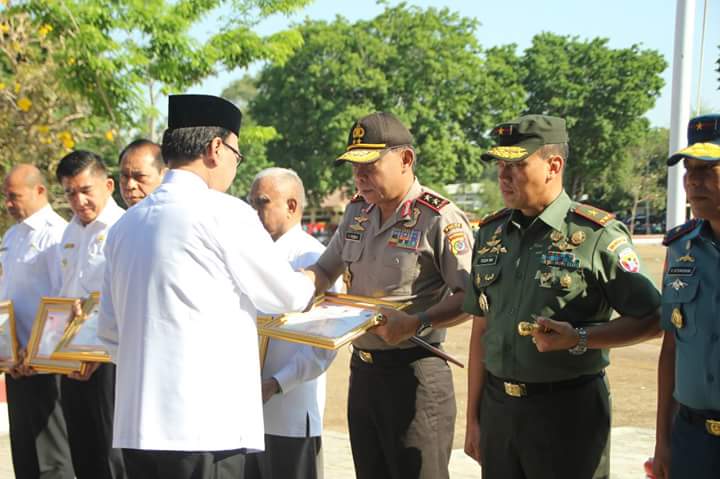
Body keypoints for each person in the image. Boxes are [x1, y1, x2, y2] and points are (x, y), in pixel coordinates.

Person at [97, 94, 316, 479]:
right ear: (216, 148)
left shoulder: (124, 227)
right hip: (204, 427)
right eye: (237, 153)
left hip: (137, 426)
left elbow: (110, 333)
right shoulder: (224, 213)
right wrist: (321, 272)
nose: (235, 164)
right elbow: (290, 296)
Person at [463, 114, 662, 479]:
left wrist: (581, 338)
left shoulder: (595, 235)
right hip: (499, 410)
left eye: (517, 164)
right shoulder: (490, 234)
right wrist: (473, 418)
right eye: (500, 165)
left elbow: (652, 318)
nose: (504, 176)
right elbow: (482, 327)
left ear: (553, 165)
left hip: (567, 411)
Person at [304, 112, 473, 479]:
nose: (359, 176)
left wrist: (417, 322)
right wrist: (288, 289)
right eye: (354, 166)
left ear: (406, 160)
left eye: (370, 165)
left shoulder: (439, 217)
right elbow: (323, 270)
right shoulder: (357, 214)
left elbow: (470, 296)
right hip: (363, 373)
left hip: (415, 374)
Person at [245, 167, 341, 479]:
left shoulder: (314, 259)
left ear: (291, 206)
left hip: (291, 410)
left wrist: (277, 383)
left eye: (262, 202)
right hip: (246, 411)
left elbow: (324, 345)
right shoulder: (248, 253)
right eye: (251, 203)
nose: (254, 211)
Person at [652, 114, 720, 479]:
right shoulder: (681, 248)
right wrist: (663, 441)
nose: (694, 180)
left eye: (710, 168)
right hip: (693, 439)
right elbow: (672, 348)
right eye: (690, 169)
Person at [55, 150, 126, 479]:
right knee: (81, 449)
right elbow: (62, 295)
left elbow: (123, 298)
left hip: (109, 358)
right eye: (70, 192)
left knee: (111, 453)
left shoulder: (123, 227)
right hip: (71, 357)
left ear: (108, 184)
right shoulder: (68, 233)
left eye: (86, 190)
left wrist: (98, 351)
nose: (78, 200)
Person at [0, 164, 74, 478]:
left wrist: (40, 354)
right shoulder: (11, 236)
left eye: (14, 196)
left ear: (39, 191)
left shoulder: (56, 235)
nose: (8, 204)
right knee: (24, 450)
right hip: (15, 361)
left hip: (45, 362)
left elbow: (63, 299)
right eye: (6, 197)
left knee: (52, 454)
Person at [118, 139, 167, 208]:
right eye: (125, 176)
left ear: (165, 176)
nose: (130, 185)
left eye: (140, 176)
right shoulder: (120, 218)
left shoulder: (180, 216)